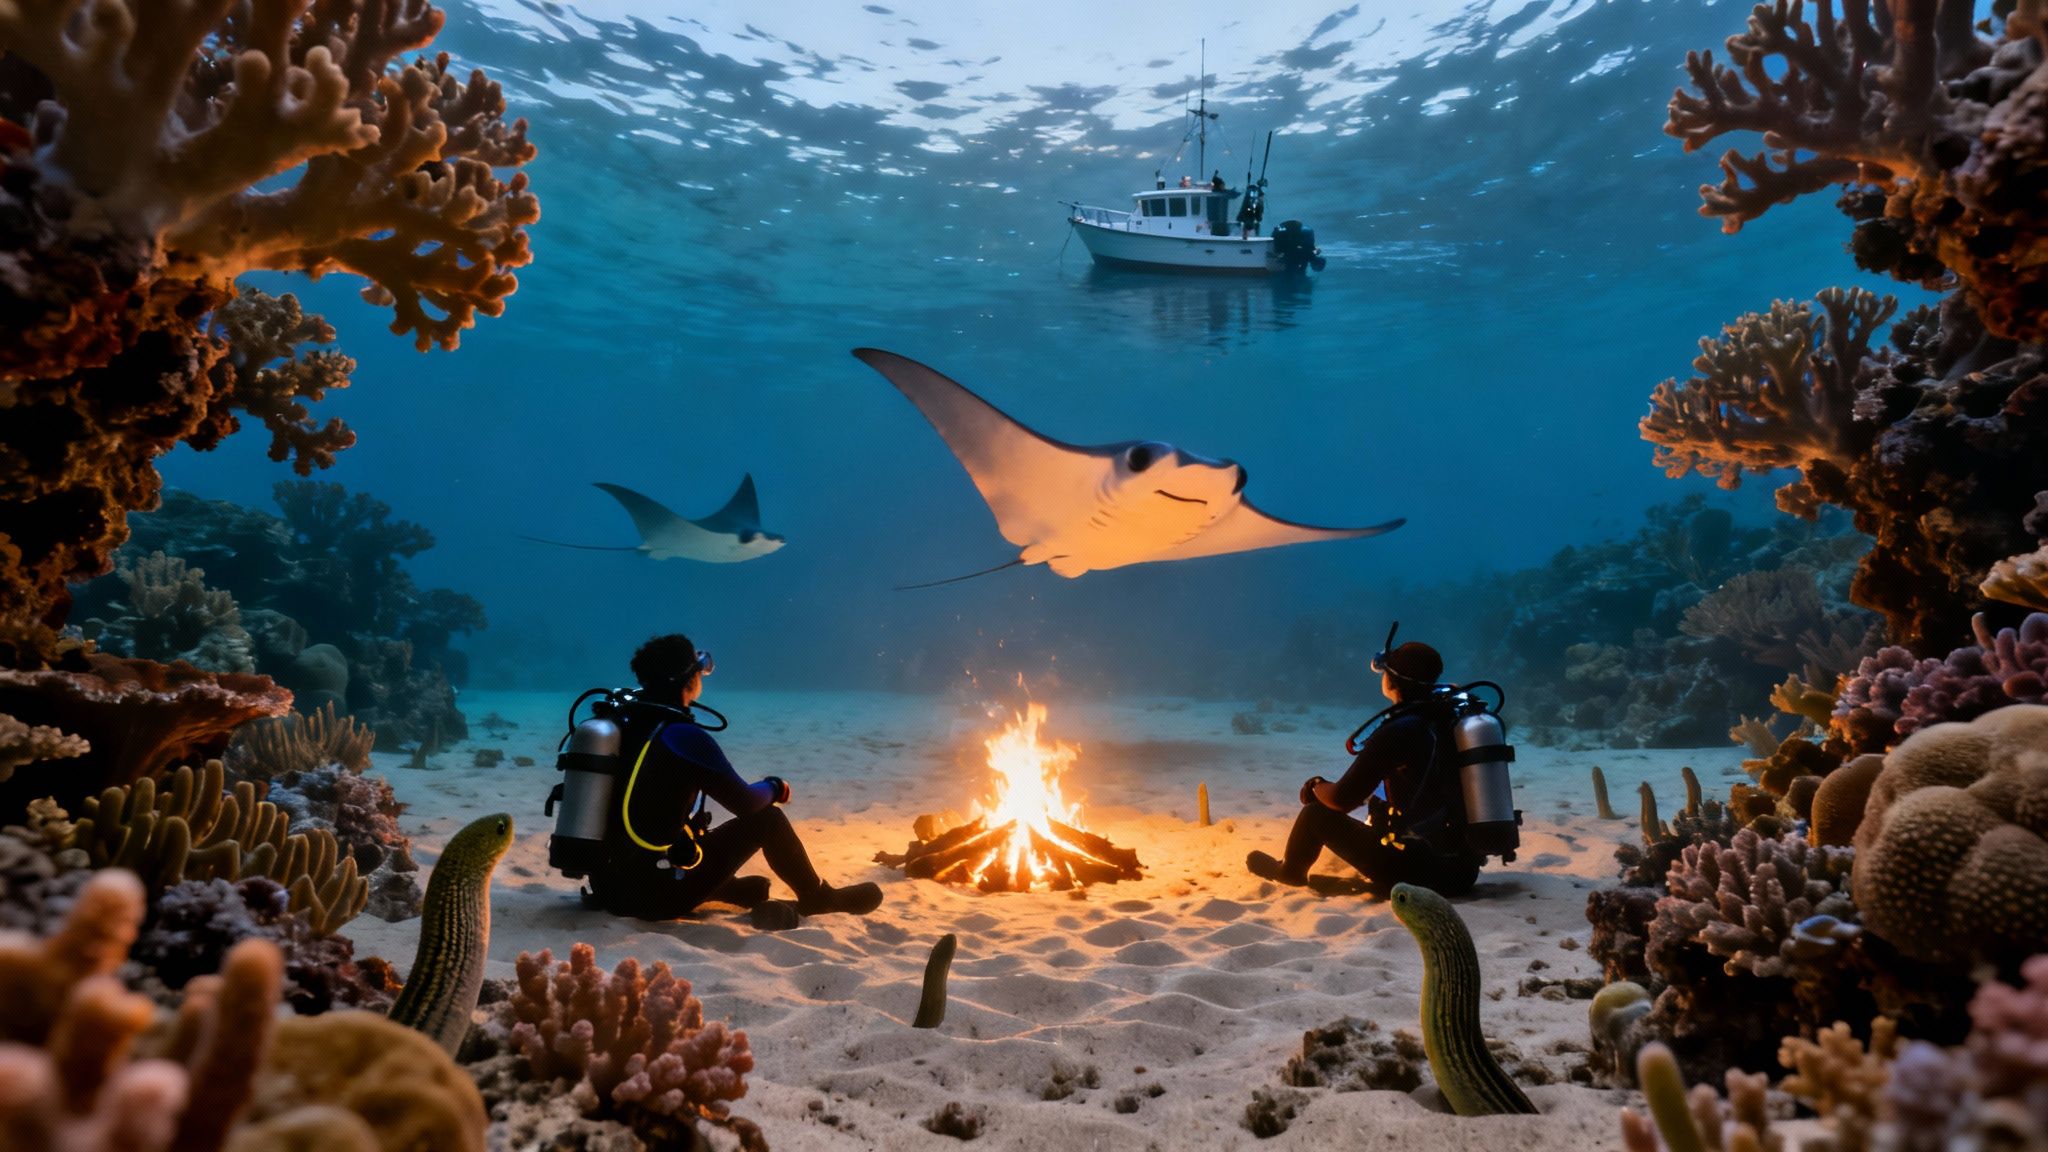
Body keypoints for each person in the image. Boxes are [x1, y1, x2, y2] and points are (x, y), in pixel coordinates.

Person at [585, 633, 883, 927]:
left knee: (709, 846)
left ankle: (721, 886)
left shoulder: (622, 721)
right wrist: (774, 787)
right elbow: (746, 803)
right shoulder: (683, 736)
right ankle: (817, 896)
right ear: (688, 679)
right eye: (700, 668)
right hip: (653, 897)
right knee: (768, 820)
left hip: (609, 887)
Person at [1246, 638, 1485, 897]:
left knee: (1315, 815)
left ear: (1392, 681)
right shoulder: (1449, 716)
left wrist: (1316, 786)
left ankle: (1288, 873)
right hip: (1463, 871)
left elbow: (1341, 799)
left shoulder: (1400, 730)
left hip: (1420, 874)